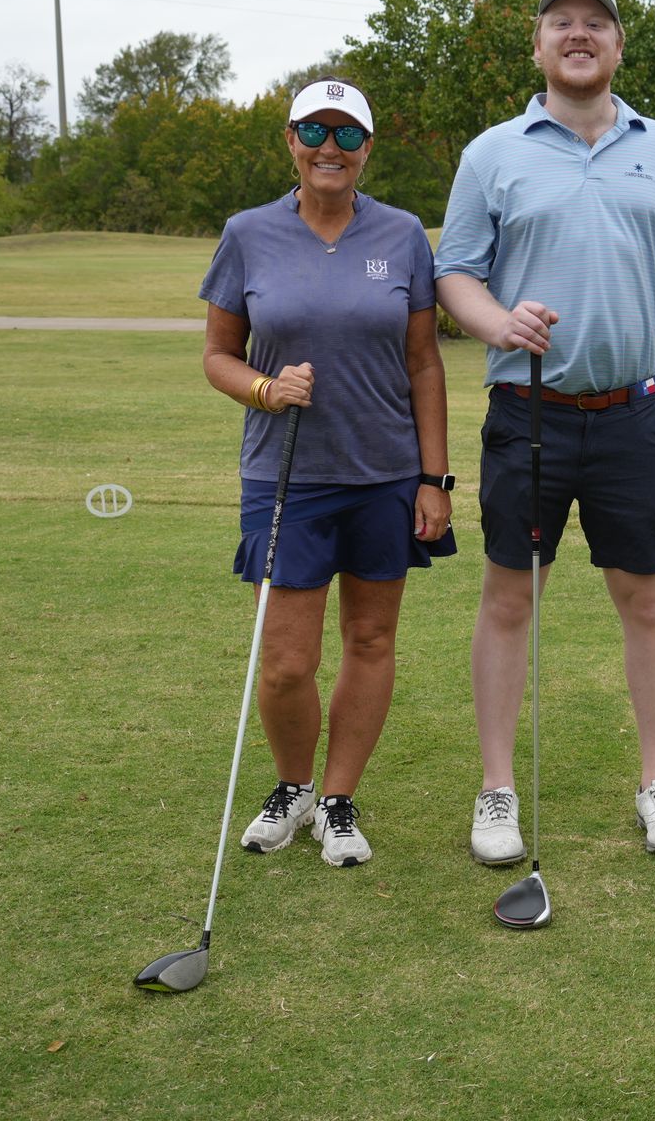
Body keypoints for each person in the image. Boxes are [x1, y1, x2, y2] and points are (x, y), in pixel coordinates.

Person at [435, 0, 655, 864]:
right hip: (528, 410)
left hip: (633, 412)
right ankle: (495, 791)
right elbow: (455, 273)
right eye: (561, 22)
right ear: (539, 46)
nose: (578, 33)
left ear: (617, 45)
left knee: (645, 597)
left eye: (595, 22)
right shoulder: (494, 152)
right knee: (511, 596)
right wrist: (496, 321)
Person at [199, 77, 456, 869]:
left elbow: (423, 362)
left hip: (384, 473)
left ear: (367, 149)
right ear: (289, 140)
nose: (330, 149)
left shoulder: (405, 233)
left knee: (371, 639)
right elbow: (217, 356)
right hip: (286, 475)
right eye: (315, 130)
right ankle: (293, 786)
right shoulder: (248, 233)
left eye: (348, 135)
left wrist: (435, 480)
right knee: (286, 662)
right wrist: (264, 390)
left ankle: (338, 800)